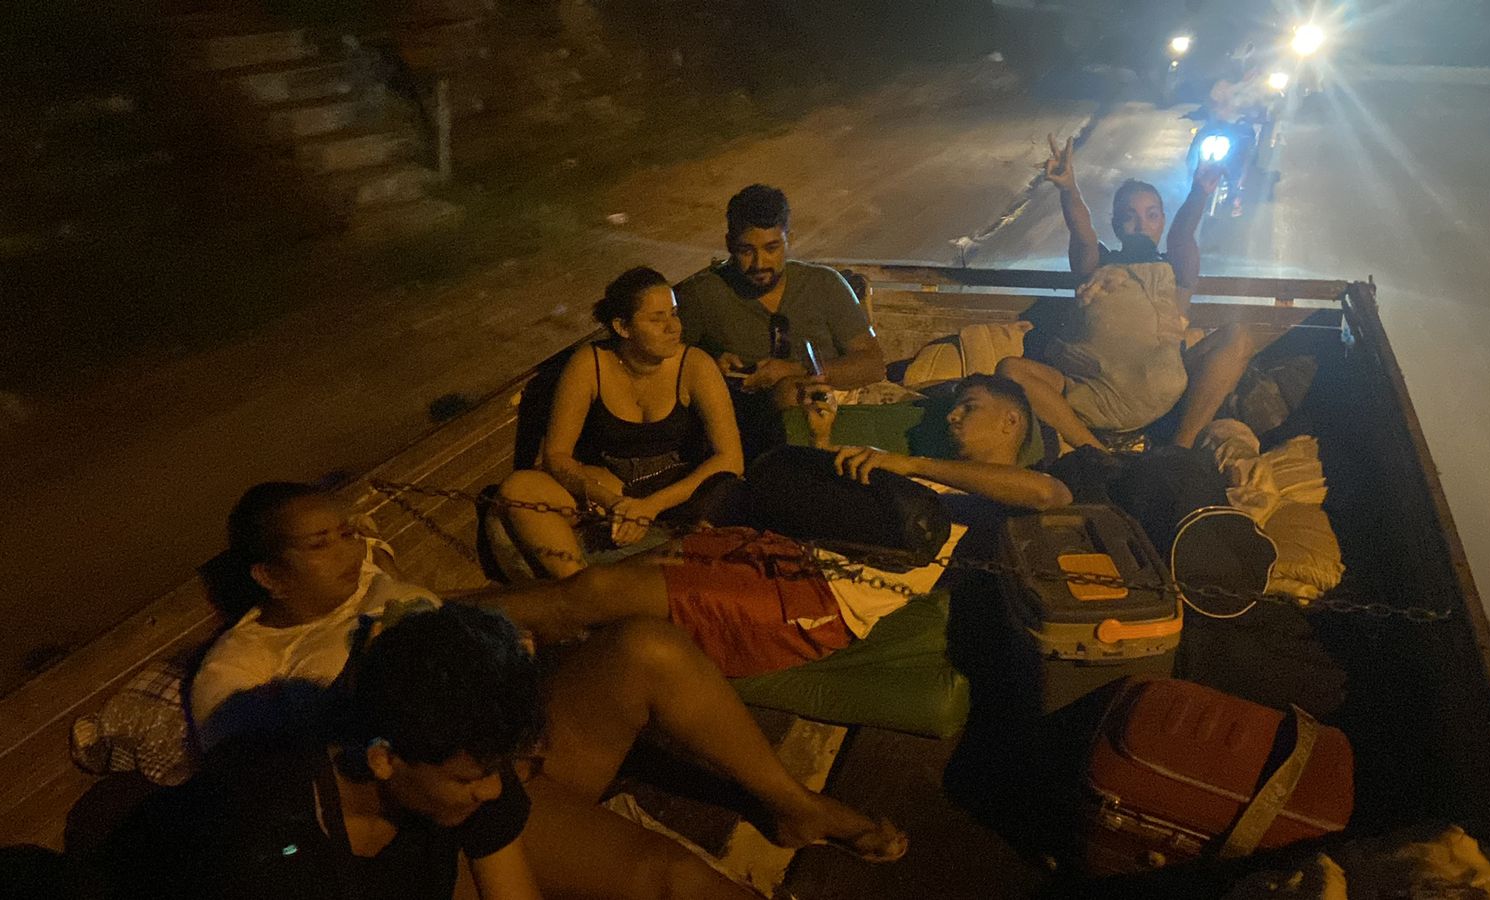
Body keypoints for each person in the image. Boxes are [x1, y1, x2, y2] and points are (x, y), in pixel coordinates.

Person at [186, 482, 908, 899]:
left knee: (644, 644)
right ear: (268, 575)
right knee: (665, 876)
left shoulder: (378, 583)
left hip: (503, 746)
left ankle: (794, 806)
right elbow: (273, 787)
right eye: (321, 544)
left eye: (349, 532)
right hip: (432, 798)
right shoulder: (241, 671)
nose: (351, 550)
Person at [475, 374, 1074, 679]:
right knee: (591, 596)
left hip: (817, 597)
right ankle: (465, 628)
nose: (953, 416)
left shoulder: (1007, 493)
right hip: (769, 548)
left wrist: (911, 464)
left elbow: (1050, 493)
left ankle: (434, 618)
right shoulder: (929, 472)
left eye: (970, 406)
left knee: (595, 593)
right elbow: (837, 507)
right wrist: (822, 443)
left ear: (1011, 422)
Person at [109, 605, 545, 899]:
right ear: (383, 760)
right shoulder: (265, 839)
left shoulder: (465, 749)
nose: (492, 789)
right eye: (468, 779)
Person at [996, 133, 1261, 450]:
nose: (1141, 224)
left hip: (1163, 393)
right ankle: (1094, 451)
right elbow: (1082, 235)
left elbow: (1182, 235)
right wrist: (1068, 189)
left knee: (1238, 337)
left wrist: (1199, 192)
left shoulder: (1176, 273)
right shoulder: (1096, 269)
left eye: (1152, 215)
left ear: (1162, 221)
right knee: (1011, 370)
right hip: (1094, 393)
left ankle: (1181, 446)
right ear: (1116, 224)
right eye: (1129, 216)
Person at [496, 267, 743, 577]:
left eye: (674, 314)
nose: (673, 328)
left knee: (727, 497)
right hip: (613, 486)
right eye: (657, 319)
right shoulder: (591, 363)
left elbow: (730, 459)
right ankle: (578, 585)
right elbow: (557, 454)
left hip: (677, 489)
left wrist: (650, 507)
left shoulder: (694, 365)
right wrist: (612, 502)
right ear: (623, 327)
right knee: (519, 488)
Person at [675, 184, 887, 394]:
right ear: (729, 244)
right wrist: (709, 366)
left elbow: (873, 365)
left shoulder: (824, 283)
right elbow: (669, 363)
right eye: (746, 251)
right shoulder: (702, 293)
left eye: (771, 248)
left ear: (789, 240)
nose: (759, 264)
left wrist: (797, 371)